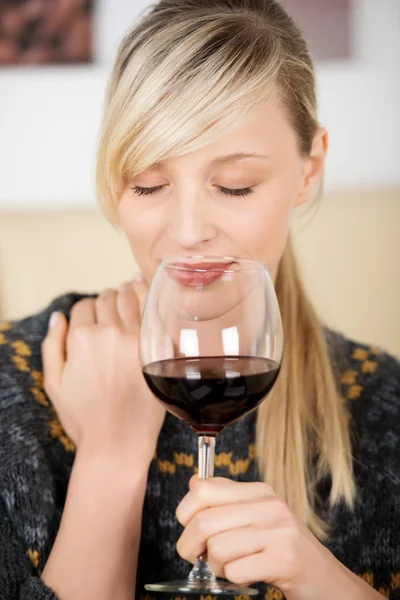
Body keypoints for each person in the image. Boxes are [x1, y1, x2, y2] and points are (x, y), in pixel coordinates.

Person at [0, 1, 399, 598]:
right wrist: (109, 463)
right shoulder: (16, 385)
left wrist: (319, 579)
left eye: (234, 185)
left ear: (309, 168)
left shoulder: (380, 406)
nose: (188, 233)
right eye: (149, 183)